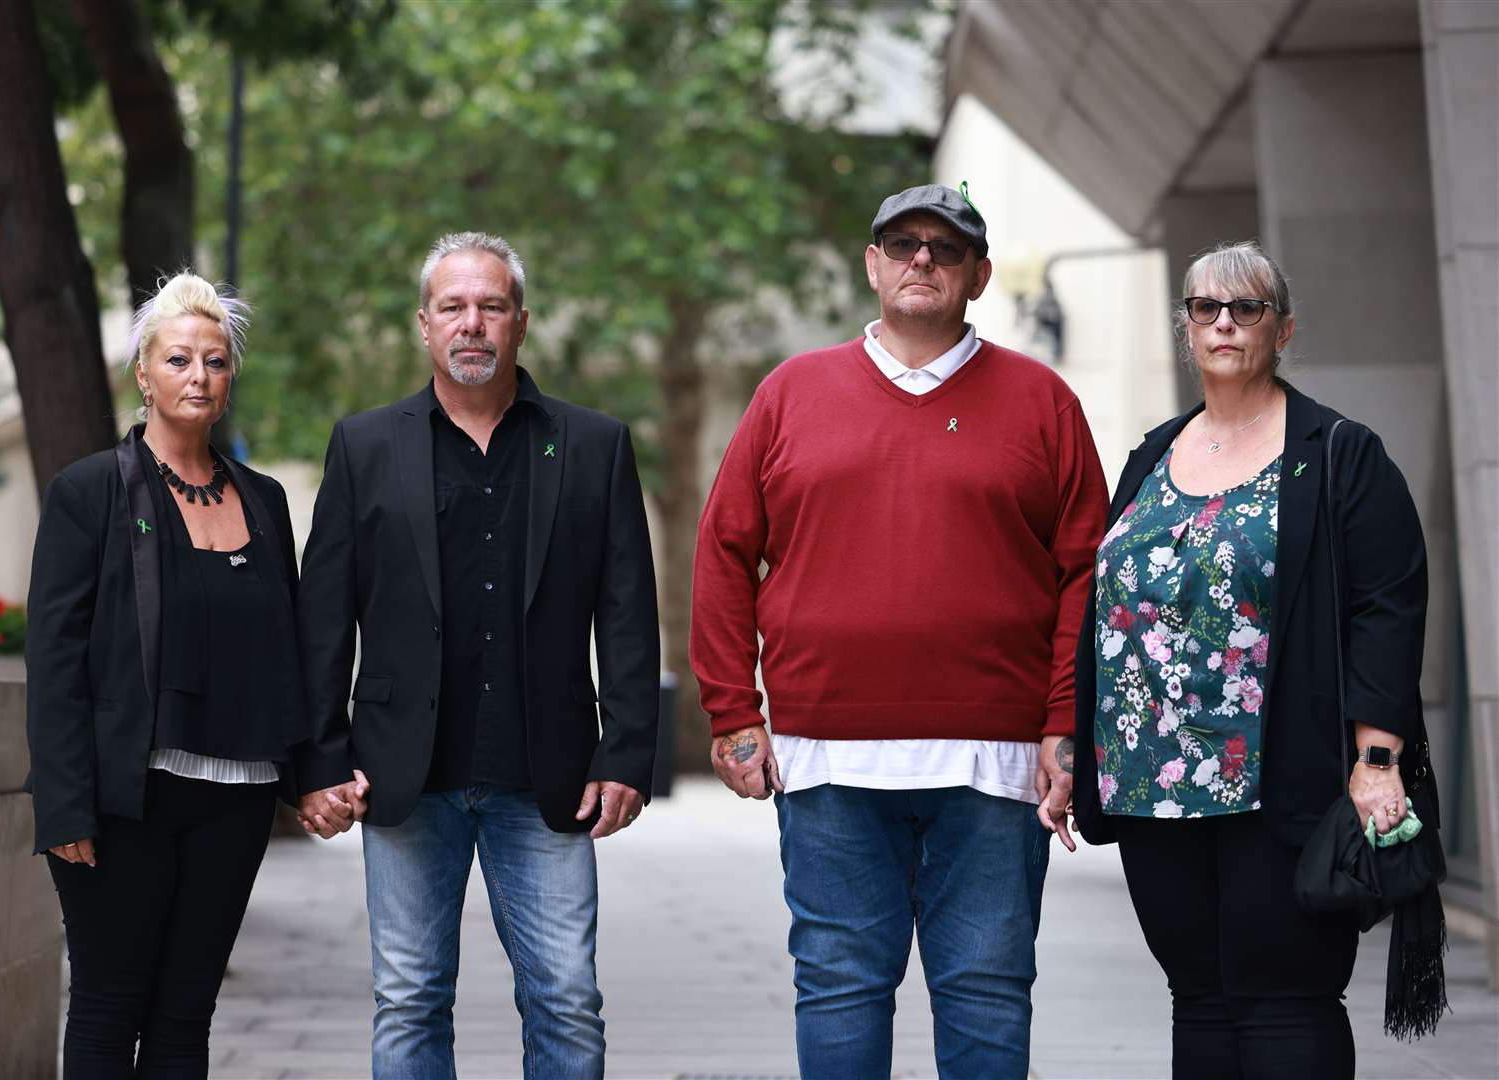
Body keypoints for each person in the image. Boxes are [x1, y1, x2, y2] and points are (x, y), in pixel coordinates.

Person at [691, 183, 1108, 1079]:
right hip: (828, 759)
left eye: (946, 248)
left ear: (980, 275)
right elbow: (725, 552)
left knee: (989, 989)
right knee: (838, 986)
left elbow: (1086, 573)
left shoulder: (1043, 402)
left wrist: (1064, 727)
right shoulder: (790, 393)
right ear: (873, 264)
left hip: (992, 766)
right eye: (903, 243)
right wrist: (733, 713)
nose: (923, 259)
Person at [1058, 241, 1440, 1077]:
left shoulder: (1340, 453)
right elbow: (1104, 604)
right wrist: (1073, 746)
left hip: (1281, 779)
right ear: (1185, 330)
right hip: (1152, 786)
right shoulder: (1153, 455)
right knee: (1197, 994)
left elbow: (1388, 609)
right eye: (1205, 308)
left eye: (1247, 308)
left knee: (1284, 997)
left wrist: (1379, 759)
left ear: (1284, 328)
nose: (1224, 322)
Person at [293, 231, 660, 1078]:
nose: (472, 324)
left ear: (520, 324)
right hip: (403, 773)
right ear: (424, 324)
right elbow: (324, 615)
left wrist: (628, 751)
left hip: (548, 773)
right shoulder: (365, 445)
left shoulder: (595, 445)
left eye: (491, 306)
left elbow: (629, 611)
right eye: (453, 306)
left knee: (567, 998)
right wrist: (318, 759)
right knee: (411, 998)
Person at [25, 271, 324, 1074]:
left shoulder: (263, 500)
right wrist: (64, 806)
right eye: (181, 359)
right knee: (106, 1004)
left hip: (237, 797)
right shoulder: (89, 494)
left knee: (186, 1015)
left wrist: (313, 774)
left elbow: (288, 648)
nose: (200, 376)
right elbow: (54, 660)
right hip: (125, 800)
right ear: (144, 375)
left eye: (216, 362)